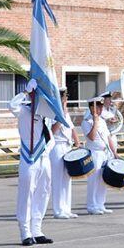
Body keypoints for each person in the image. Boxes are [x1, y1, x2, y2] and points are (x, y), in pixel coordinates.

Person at [11, 79, 54, 246]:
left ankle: (37, 229)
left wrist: (46, 150)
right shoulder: (23, 110)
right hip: (29, 157)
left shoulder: (45, 114)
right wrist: (25, 92)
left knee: (44, 192)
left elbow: (50, 137)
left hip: (43, 156)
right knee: (26, 193)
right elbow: (11, 106)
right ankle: (25, 231)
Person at [82, 97, 118, 215]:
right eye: (98, 106)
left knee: (103, 179)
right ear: (92, 108)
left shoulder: (102, 121)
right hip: (94, 152)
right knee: (93, 180)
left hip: (105, 152)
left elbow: (108, 138)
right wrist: (95, 122)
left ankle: (100, 204)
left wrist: (114, 153)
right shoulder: (87, 122)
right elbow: (91, 137)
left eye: (101, 107)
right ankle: (91, 205)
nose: (101, 109)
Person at [50, 87, 80, 219]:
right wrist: (60, 115)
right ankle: (58, 210)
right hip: (57, 145)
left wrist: (77, 142)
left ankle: (66, 208)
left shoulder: (65, 113)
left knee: (67, 178)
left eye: (66, 97)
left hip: (67, 146)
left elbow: (72, 128)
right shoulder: (52, 111)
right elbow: (53, 130)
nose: (65, 99)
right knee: (57, 179)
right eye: (63, 97)